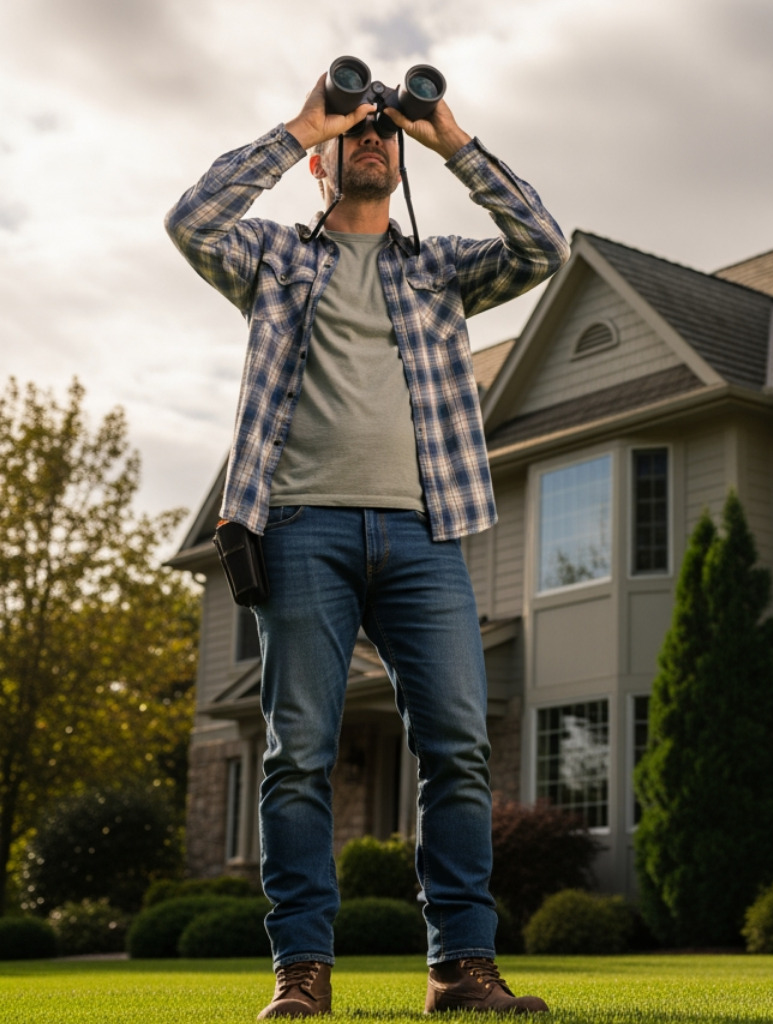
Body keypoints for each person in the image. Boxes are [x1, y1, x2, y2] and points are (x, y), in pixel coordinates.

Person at [166, 70, 568, 1018]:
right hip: (301, 529)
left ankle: (461, 966)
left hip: (425, 536)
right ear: (324, 161)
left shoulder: (439, 269)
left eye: (386, 130)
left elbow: (544, 246)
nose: (375, 138)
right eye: (358, 130)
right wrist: (307, 121)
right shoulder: (273, 258)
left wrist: (452, 138)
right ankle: (301, 972)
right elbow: (192, 221)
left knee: (459, 748)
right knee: (298, 752)